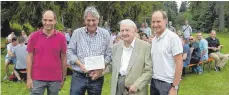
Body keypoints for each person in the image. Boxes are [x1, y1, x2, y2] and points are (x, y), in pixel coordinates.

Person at [67, 6, 111, 95]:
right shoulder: (77, 33)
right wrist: (80, 64)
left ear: (98, 20)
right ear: (84, 20)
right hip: (78, 75)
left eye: (93, 20)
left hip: (97, 77)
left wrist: (101, 69)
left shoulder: (105, 34)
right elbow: (70, 51)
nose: (91, 23)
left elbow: (109, 54)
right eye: (88, 20)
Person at [26, 10, 67, 95]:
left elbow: (64, 58)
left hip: (55, 78)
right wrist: (29, 78)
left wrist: (64, 77)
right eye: (45, 20)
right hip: (37, 77)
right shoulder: (34, 36)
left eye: (50, 20)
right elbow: (29, 57)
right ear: (42, 20)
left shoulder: (61, 38)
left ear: (55, 21)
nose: (47, 23)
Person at [110, 19, 152, 95]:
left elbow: (149, 71)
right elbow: (111, 65)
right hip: (117, 87)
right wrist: (99, 71)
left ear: (135, 30)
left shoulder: (145, 47)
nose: (124, 33)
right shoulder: (116, 47)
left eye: (127, 30)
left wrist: (136, 85)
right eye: (122, 30)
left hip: (135, 89)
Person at [150, 10, 183, 95]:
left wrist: (175, 86)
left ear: (165, 21)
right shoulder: (154, 40)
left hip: (167, 84)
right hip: (154, 81)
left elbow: (179, 63)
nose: (155, 24)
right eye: (153, 22)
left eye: (158, 21)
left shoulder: (173, 38)